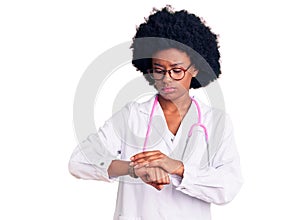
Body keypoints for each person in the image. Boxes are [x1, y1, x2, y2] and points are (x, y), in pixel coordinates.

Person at [69, 6, 243, 220]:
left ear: (195, 69)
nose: (166, 79)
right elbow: (79, 161)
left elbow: (228, 186)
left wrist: (179, 169)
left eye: (176, 70)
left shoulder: (216, 122)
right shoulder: (132, 116)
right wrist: (133, 170)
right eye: (159, 70)